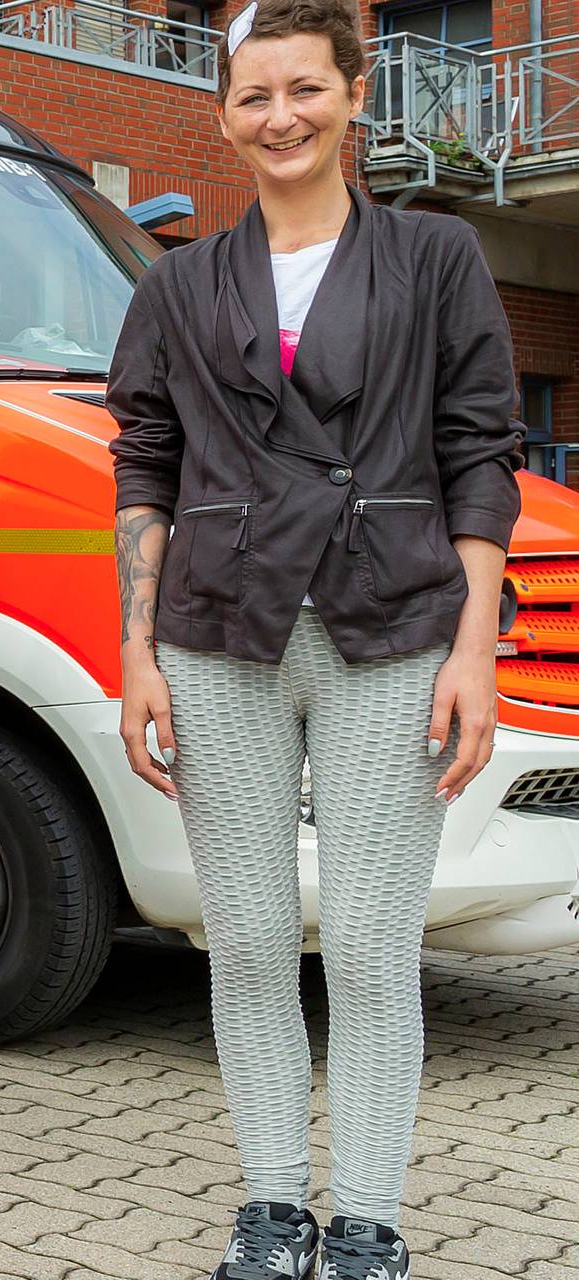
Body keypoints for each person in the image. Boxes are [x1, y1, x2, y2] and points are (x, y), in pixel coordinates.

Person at [107, 4, 520, 1276]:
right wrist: (136, 650)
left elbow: (478, 448)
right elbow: (145, 465)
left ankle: (371, 1220)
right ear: (223, 116)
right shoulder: (178, 280)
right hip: (218, 632)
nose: (278, 117)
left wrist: (474, 645)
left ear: (351, 95)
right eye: (252, 96)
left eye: (303, 89)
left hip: (389, 625)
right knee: (239, 933)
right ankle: (274, 1206)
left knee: (373, 936)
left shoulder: (435, 257)